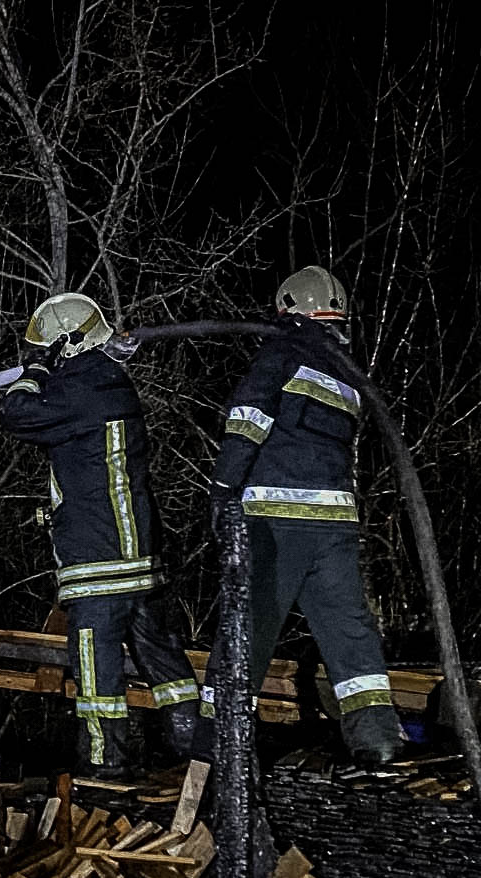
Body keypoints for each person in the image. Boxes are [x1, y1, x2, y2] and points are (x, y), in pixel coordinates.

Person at [0, 292, 203, 779]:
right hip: (139, 561)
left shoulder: (75, 390)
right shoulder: (110, 383)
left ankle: (104, 765)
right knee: (165, 663)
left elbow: (16, 414)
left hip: (98, 565)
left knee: (96, 674)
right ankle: (197, 748)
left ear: (63, 345)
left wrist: (35, 369)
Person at [206, 265, 404, 766]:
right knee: (348, 629)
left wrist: (224, 487)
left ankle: (217, 744)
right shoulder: (347, 368)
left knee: (247, 626)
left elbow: (248, 416)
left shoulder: (283, 350)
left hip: (274, 516)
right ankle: (378, 736)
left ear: (289, 308)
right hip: (333, 520)